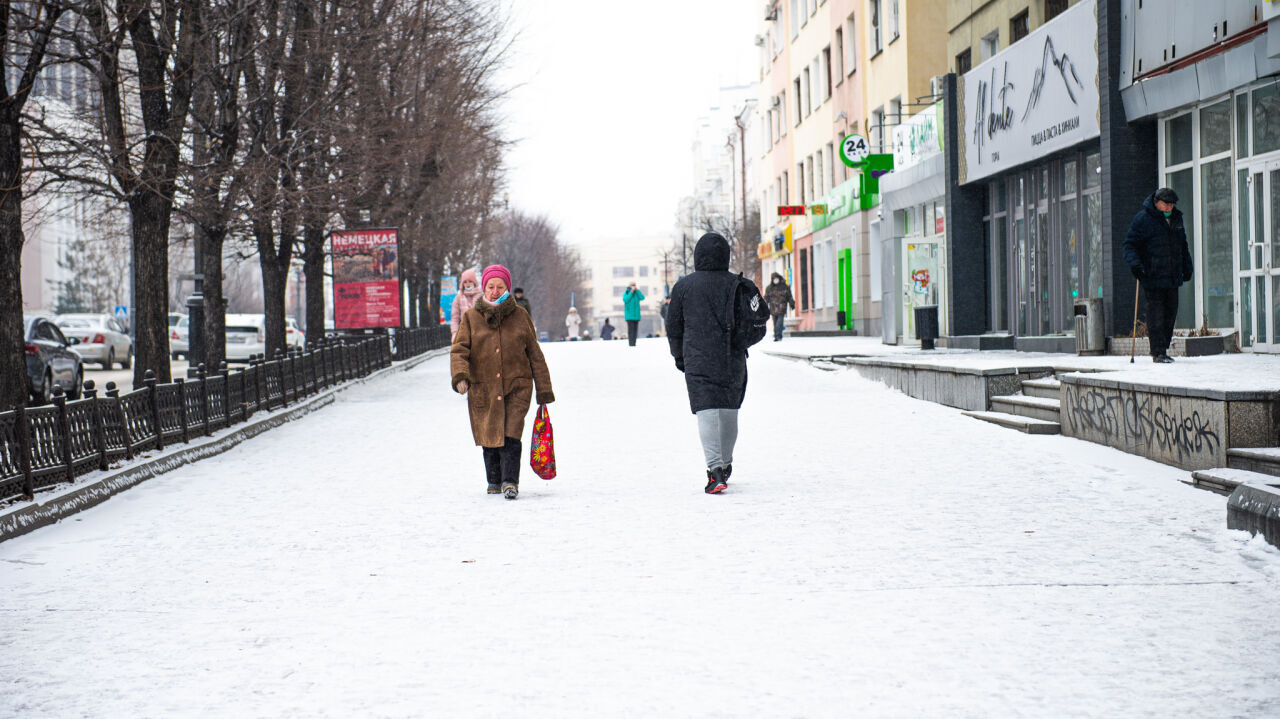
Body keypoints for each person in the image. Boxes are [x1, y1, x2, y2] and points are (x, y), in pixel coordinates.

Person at [451, 264, 555, 499]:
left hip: (517, 386)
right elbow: (459, 350)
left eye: (500, 286)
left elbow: (534, 354)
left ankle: (510, 482)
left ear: (507, 288)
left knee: (511, 433)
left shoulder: (520, 316)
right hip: (483, 387)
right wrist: (460, 376)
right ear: (483, 288)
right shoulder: (471, 317)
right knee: (489, 435)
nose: (495, 291)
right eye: (491, 286)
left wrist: (544, 389)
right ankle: (494, 480)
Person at [667, 232, 756, 495]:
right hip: (732, 358)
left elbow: (674, 327)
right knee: (729, 410)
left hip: (698, 358)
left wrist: (679, 357)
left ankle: (715, 469)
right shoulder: (737, 284)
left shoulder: (684, 287)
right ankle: (725, 464)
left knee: (706, 411)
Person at [1123, 187, 1193, 363]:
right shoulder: (1143, 219)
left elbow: (1182, 245)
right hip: (1152, 276)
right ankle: (1158, 351)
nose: (1169, 207)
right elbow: (1130, 245)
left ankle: (1163, 348)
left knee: (1170, 313)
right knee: (1156, 315)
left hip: (1172, 275)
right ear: (1156, 203)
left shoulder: (1177, 219)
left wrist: (1187, 266)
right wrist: (1136, 265)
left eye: (1172, 204)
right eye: (1166, 204)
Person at [450, 268, 480, 341]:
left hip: (480, 334)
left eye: (470, 281)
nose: (468, 284)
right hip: (464, 335)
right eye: (465, 282)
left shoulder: (481, 297)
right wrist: (455, 333)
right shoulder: (458, 298)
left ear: (474, 282)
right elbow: (455, 318)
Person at [764, 272, 795, 342]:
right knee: (775, 323)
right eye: (774, 279)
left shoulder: (784, 287)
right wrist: (764, 306)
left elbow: (789, 296)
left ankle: (778, 336)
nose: (775, 280)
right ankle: (777, 335)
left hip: (782, 308)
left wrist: (792, 304)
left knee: (779, 323)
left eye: (776, 278)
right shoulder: (769, 288)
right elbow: (766, 297)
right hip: (773, 308)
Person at [623, 282, 645, 347]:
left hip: (636, 316)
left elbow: (642, 298)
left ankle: (634, 343)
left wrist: (637, 290)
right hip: (629, 316)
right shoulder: (627, 292)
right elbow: (625, 300)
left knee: (635, 331)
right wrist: (631, 292)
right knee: (631, 331)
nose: (633, 287)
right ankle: (631, 343)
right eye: (632, 286)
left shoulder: (637, 293)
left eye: (634, 286)